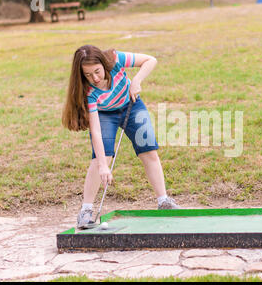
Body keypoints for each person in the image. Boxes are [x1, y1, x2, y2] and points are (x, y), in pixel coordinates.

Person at [62, 44, 180, 229]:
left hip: (131, 105)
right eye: (88, 75)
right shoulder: (88, 92)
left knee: (148, 150)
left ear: (103, 64)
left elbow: (151, 60)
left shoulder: (115, 59)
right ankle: (85, 211)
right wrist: (103, 166)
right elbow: (96, 132)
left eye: (97, 71)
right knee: (102, 158)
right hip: (105, 114)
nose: (95, 78)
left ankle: (163, 200)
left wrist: (136, 81)